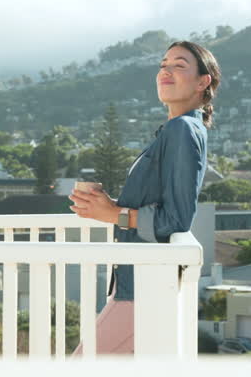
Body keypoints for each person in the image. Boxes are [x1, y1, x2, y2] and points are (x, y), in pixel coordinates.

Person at [70, 40, 221, 354]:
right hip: (134, 284)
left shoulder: (182, 130)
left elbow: (177, 219)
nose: (166, 71)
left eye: (179, 65)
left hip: (144, 289)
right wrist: (108, 205)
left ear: (202, 82)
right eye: (163, 65)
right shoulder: (175, 130)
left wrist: (114, 214)